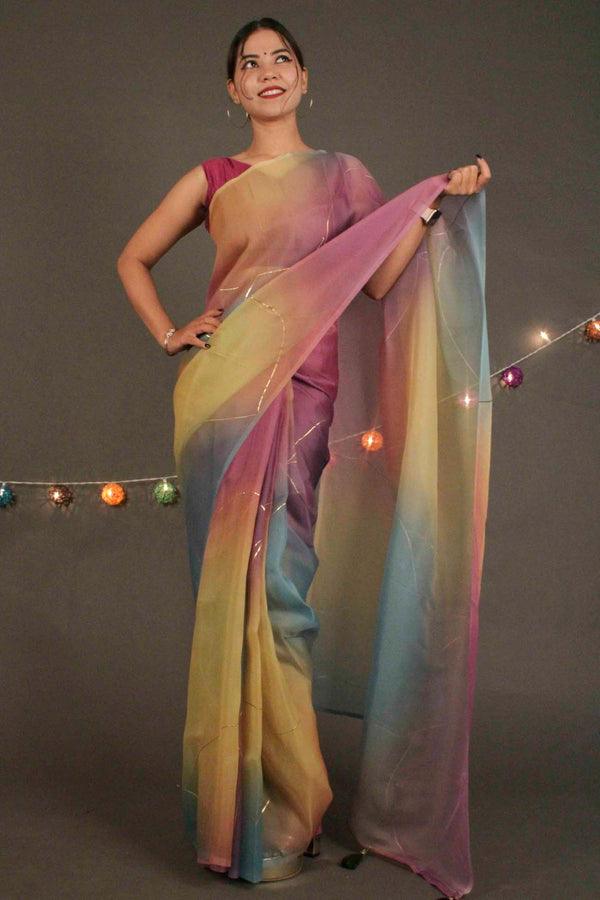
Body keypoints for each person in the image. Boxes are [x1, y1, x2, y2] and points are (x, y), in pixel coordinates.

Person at [117, 17, 492, 898]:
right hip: (220, 402)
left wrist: (431, 201)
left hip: (303, 395)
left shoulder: (343, 177)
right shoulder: (213, 180)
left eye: (280, 58)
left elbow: (379, 279)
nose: (267, 72)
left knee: (280, 595)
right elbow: (133, 258)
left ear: (304, 76)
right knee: (230, 600)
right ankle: (240, 812)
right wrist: (172, 332)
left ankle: (288, 807)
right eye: (249, 64)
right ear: (233, 91)